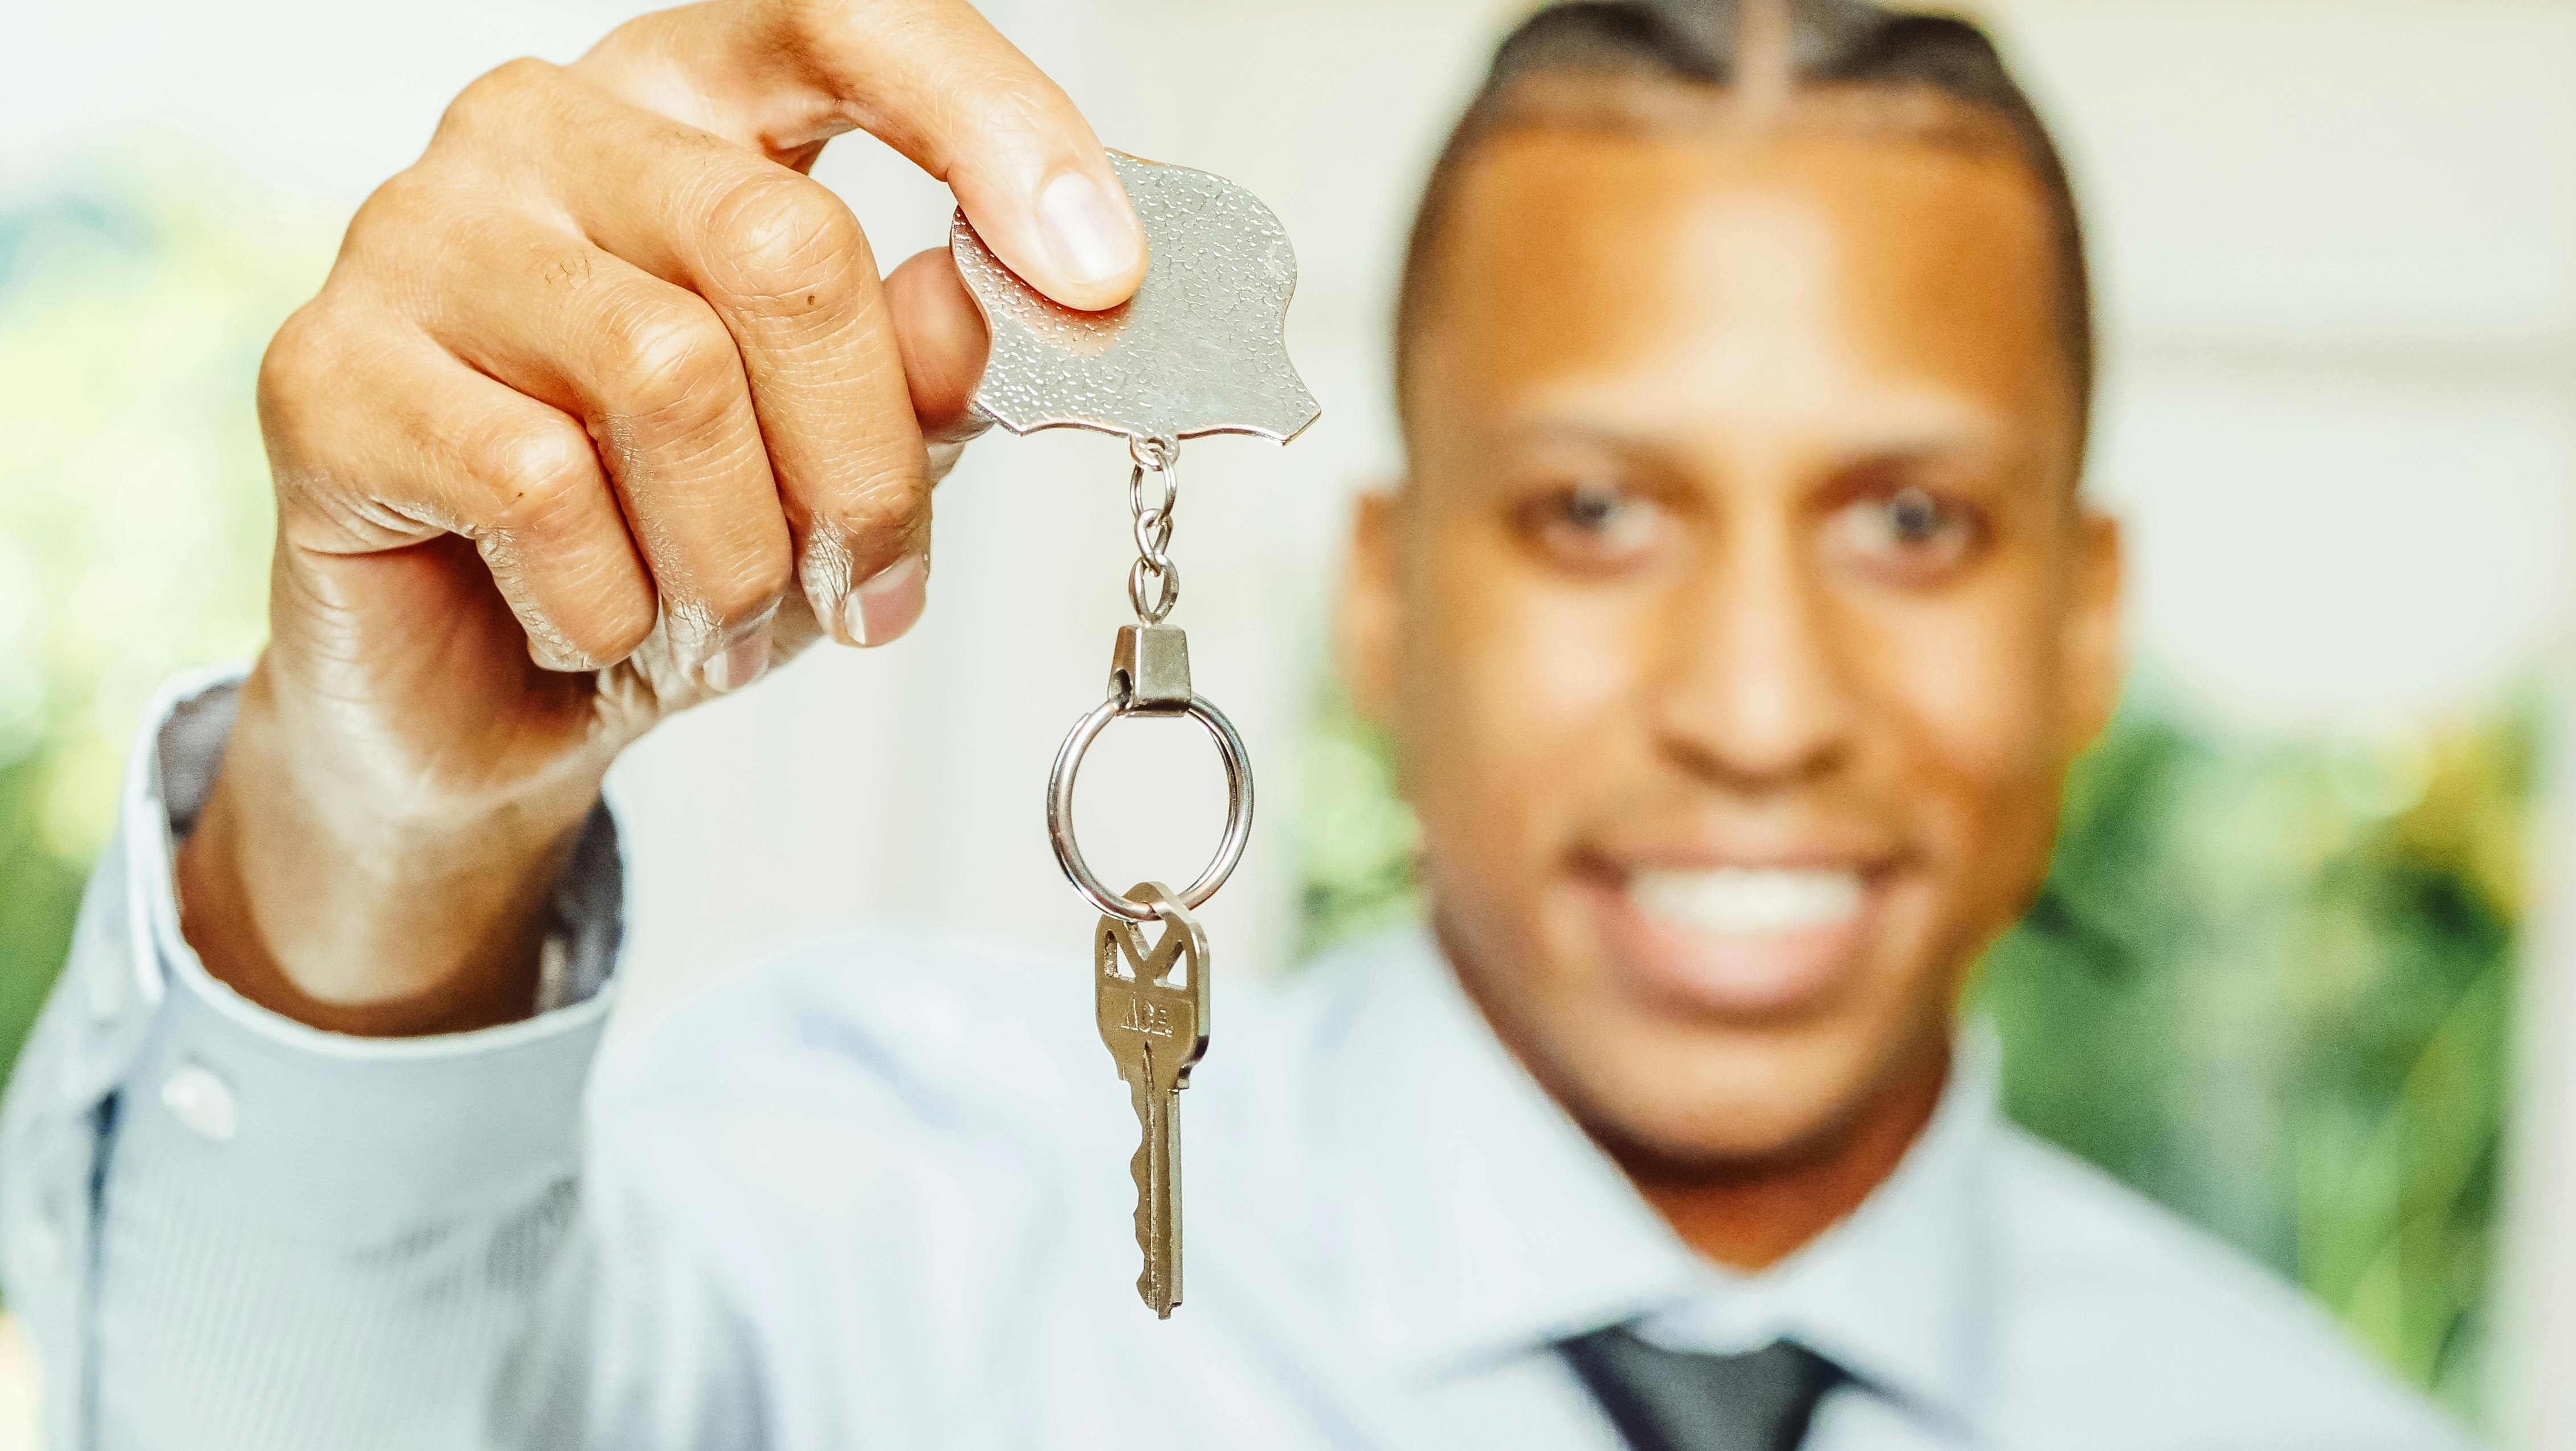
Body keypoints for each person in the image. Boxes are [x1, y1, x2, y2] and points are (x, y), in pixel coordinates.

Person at [0, 0, 2475, 1446]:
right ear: (1382, 602)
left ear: (2086, 613)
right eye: (1597, 510)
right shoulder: (875, 1223)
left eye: (1913, 524)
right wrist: (378, 851)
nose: (1753, 707)